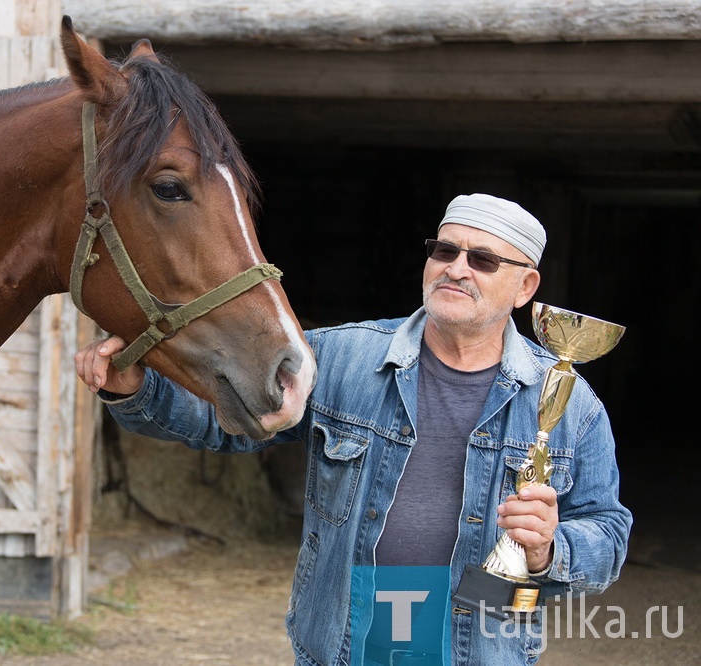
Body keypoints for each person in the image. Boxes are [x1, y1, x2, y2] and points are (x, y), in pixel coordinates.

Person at [75, 193, 632, 665]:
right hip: (349, 629)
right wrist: (138, 390)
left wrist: (547, 550)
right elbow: (228, 425)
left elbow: (608, 533)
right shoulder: (341, 358)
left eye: (483, 260)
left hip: (478, 639)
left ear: (525, 286)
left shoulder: (570, 406)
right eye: (445, 251)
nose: (455, 269)